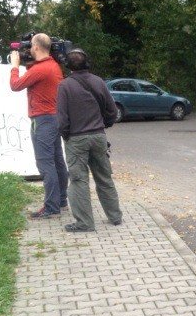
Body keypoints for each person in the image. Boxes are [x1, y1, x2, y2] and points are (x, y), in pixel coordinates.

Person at [56, 48, 123, 232]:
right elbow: (112, 111)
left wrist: (66, 134)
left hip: (76, 138)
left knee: (79, 180)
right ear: (88, 62)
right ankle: (115, 216)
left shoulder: (64, 86)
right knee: (104, 177)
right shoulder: (98, 82)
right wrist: (103, 125)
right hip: (98, 136)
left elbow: (62, 119)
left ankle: (84, 223)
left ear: (68, 66)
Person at [9, 33, 69, 218]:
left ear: (35, 47)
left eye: (30, 47)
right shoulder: (53, 66)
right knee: (58, 160)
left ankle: (51, 207)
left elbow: (16, 85)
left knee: (45, 163)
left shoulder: (40, 70)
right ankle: (61, 199)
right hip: (55, 117)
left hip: (42, 120)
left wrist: (14, 67)